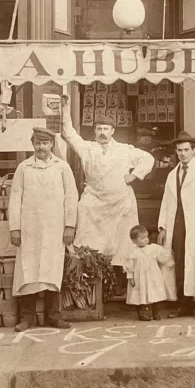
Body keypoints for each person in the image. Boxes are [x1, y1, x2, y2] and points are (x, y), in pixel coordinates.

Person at [60, 94, 155, 267]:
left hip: (120, 204)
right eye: (99, 129)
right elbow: (68, 133)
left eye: (106, 129)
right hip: (94, 203)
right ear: (94, 131)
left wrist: (134, 175)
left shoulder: (124, 150)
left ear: (112, 131)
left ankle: (120, 279)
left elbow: (148, 158)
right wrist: (65, 108)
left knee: (122, 245)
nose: (102, 133)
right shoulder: (87, 148)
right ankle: (95, 279)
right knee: (89, 244)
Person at [9, 126, 78, 332]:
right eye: (38, 143)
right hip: (29, 228)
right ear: (32, 144)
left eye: (45, 143)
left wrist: (69, 225)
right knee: (27, 270)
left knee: (52, 270)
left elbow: (71, 197)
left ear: (51, 145)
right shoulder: (24, 168)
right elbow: (15, 198)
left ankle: (53, 316)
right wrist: (15, 228)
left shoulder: (62, 167)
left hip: (55, 229)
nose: (41, 147)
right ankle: (27, 318)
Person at [158, 131, 195, 320]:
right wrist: (162, 227)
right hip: (177, 224)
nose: (183, 154)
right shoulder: (172, 174)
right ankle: (184, 304)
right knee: (181, 263)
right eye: (179, 150)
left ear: (193, 150)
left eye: (186, 150)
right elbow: (166, 202)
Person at [122, 225, 176, 321]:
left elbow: (164, 257)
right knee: (139, 294)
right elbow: (129, 266)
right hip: (139, 278)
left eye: (146, 237)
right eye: (142, 238)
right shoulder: (133, 252)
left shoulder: (153, 248)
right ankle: (141, 313)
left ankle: (155, 312)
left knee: (154, 293)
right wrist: (130, 277)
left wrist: (168, 252)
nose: (146, 240)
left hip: (152, 276)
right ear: (134, 241)